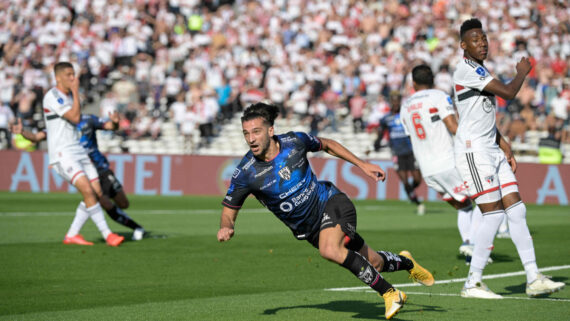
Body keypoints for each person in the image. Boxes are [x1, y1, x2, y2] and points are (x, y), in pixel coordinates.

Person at [217, 103, 434, 320]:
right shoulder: (245, 173)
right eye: (246, 133)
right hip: (311, 230)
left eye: (256, 132)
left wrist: (363, 165)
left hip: (331, 202)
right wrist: (227, 226)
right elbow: (229, 209)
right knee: (375, 262)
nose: (251, 139)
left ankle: (390, 293)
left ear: (270, 130)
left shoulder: (294, 142)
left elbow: (327, 145)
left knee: (330, 249)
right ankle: (407, 262)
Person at [453, 18, 564, 298]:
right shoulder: (465, 70)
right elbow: (509, 93)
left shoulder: (479, 69)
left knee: (517, 210)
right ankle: (473, 282)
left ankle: (533, 277)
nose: (483, 43)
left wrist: (504, 144)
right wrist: (522, 72)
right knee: (493, 216)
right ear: (463, 46)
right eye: (475, 40)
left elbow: (481, 116)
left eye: (484, 38)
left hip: (490, 147)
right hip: (474, 151)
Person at [400, 64, 487, 264]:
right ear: (433, 80)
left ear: (413, 83)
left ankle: (468, 245)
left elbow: (411, 134)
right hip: (448, 161)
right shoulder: (438, 96)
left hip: (428, 170)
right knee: (485, 199)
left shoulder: (405, 106)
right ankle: (472, 245)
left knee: (464, 206)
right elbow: (452, 126)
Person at [11, 113, 145, 241]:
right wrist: (22, 132)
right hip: (82, 170)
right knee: (98, 199)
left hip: (100, 167)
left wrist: (116, 123)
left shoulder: (88, 119)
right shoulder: (58, 125)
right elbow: (36, 137)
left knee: (123, 203)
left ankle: (73, 234)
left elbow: (110, 127)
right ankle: (133, 228)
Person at [41, 62, 124, 246]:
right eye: (69, 75)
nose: (73, 78)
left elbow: (87, 121)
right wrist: (76, 92)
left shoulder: (68, 97)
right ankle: (108, 234)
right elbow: (75, 118)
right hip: (63, 153)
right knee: (87, 190)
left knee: (95, 192)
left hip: (77, 150)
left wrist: (115, 123)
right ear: (58, 77)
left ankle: (72, 235)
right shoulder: (53, 96)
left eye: (74, 74)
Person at [376, 92, 425, 215]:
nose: (396, 103)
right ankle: (417, 202)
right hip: (397, 153)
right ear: (391, 102)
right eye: (394, 101)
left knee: (417, 179)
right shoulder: (386, 118)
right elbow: (381, 132)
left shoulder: (406, 116)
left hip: (410, 151)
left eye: (398, 101)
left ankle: (410, 191)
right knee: (404, 180)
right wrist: (377, 142)